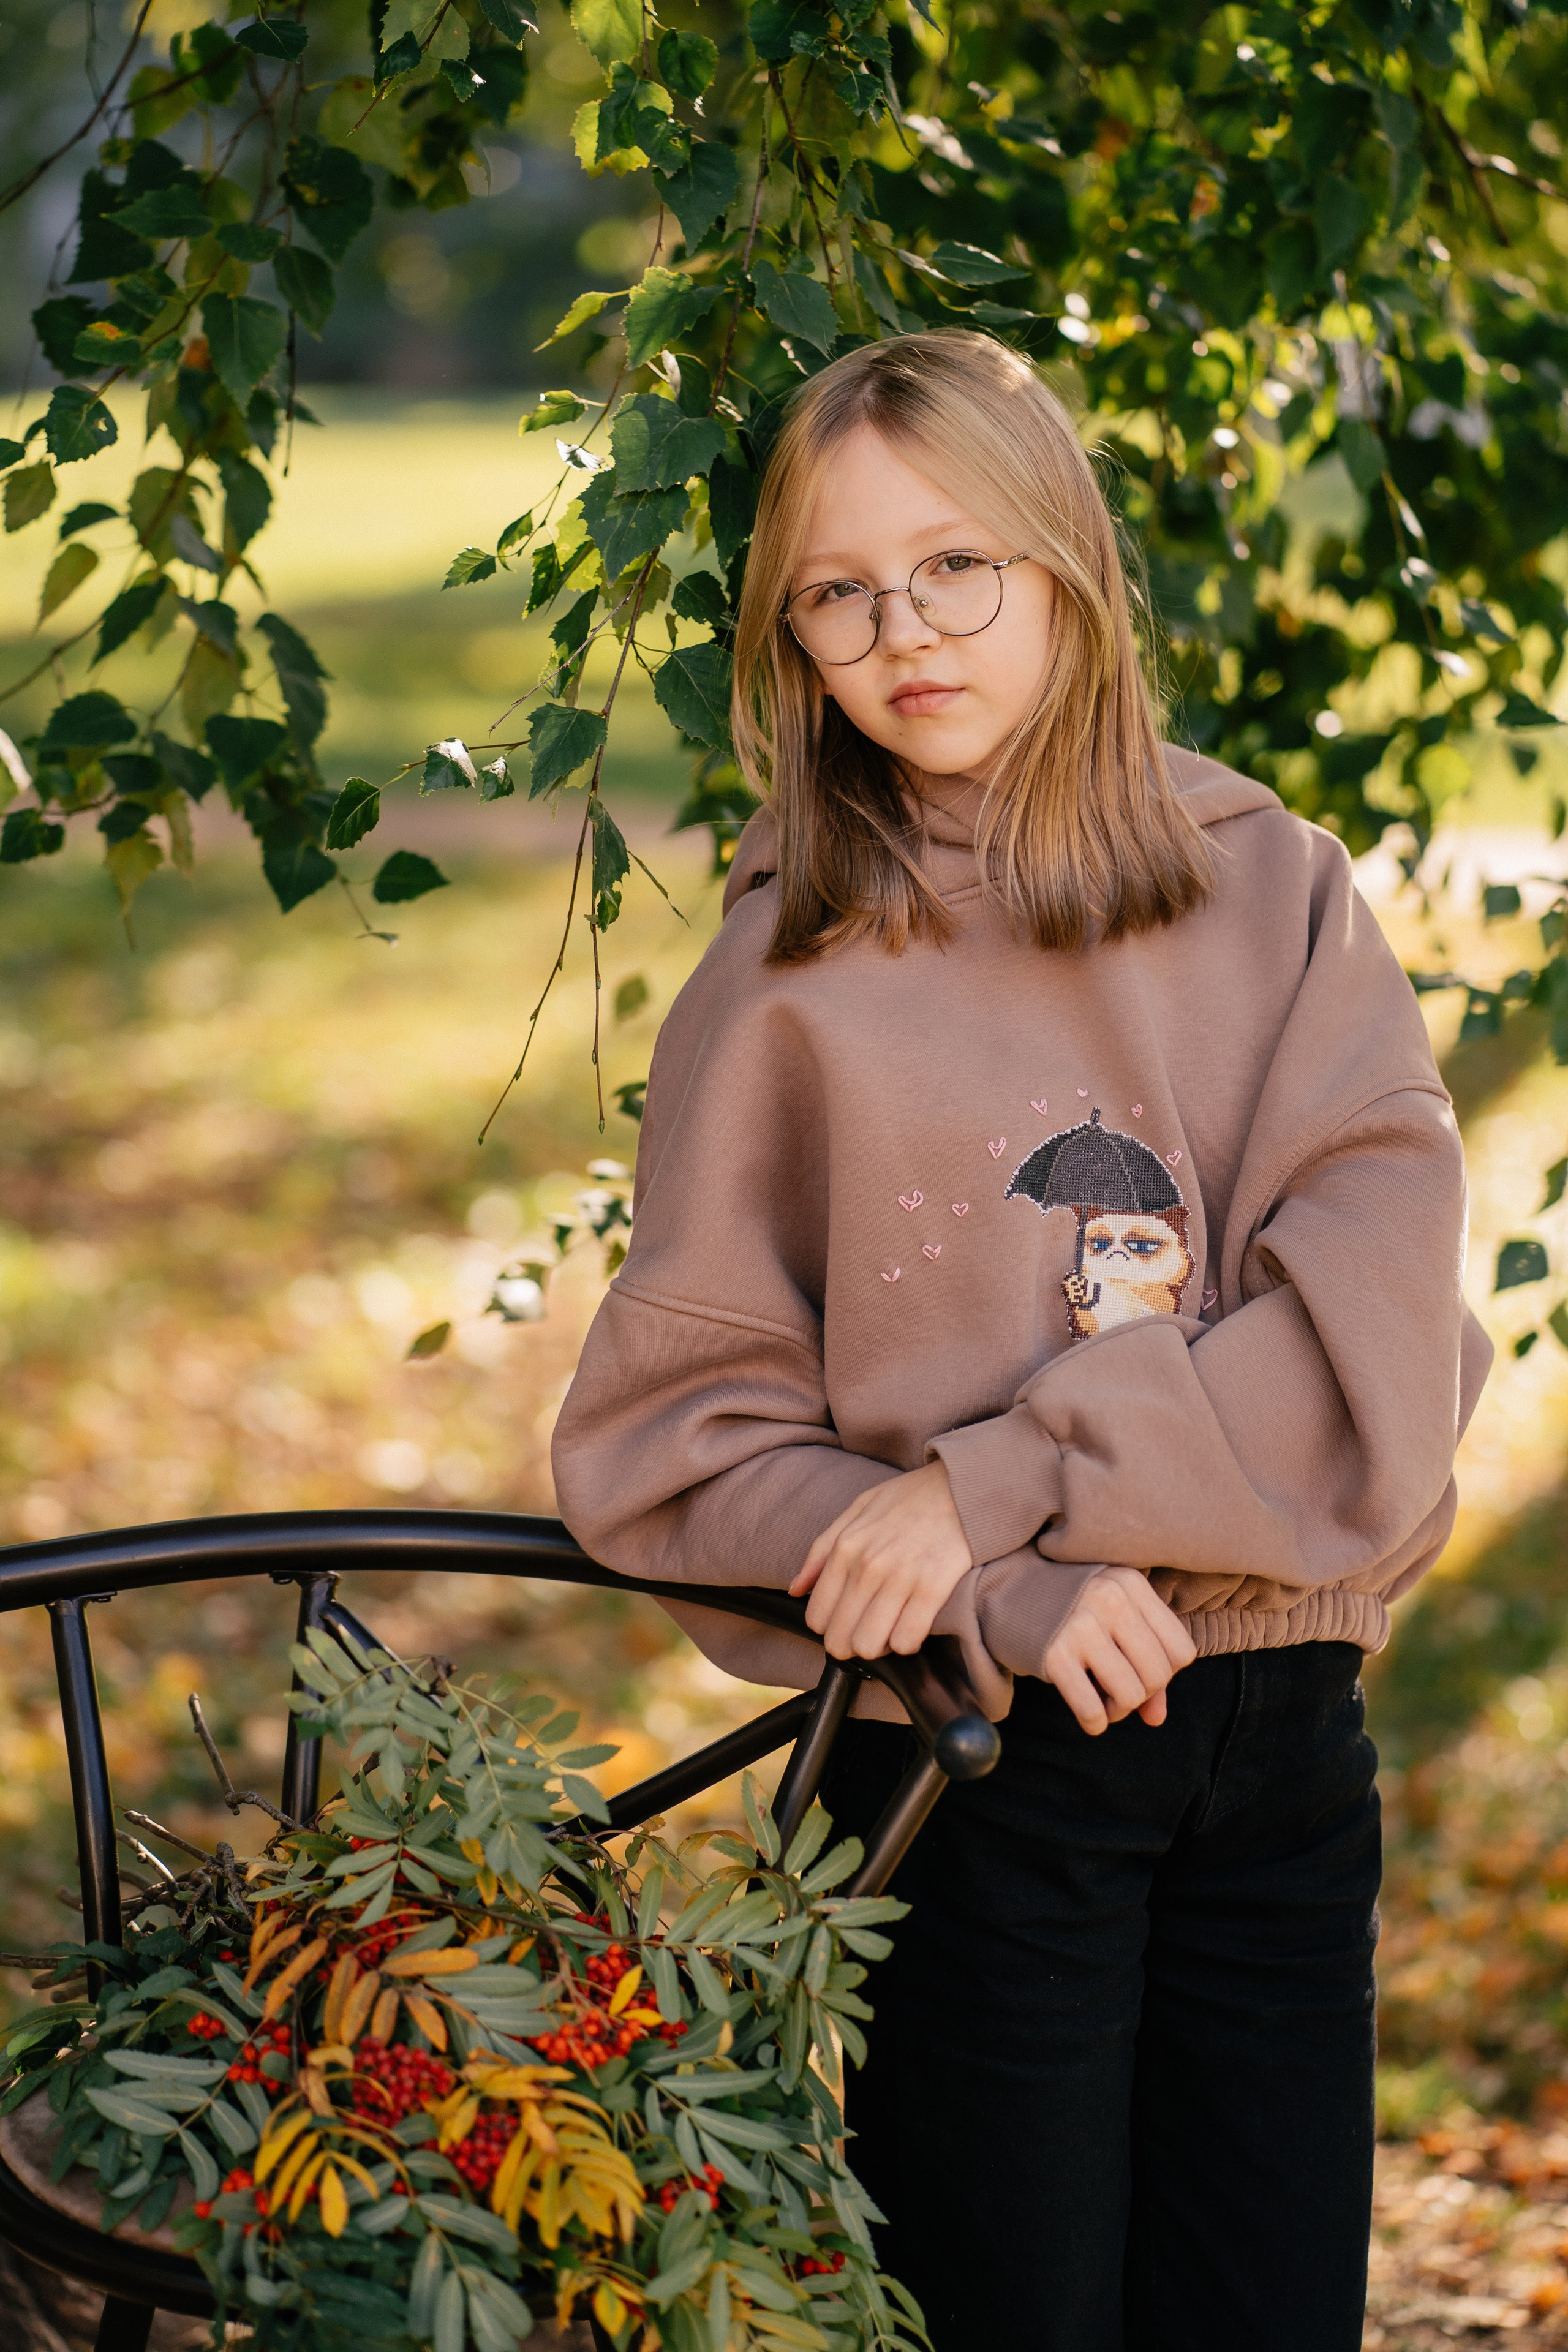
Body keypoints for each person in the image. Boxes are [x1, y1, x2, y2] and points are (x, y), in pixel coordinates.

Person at [551, 330, 1491, 2351]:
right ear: (790, 638)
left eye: (956, 564)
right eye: (838, 590)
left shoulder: (1276, 897)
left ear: (1066, 561)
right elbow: (675, 1447)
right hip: (971, 1778)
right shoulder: (786, 973)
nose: (904, 631)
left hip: (1280, 1738)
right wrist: (988, 1584)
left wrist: (1000, 1483)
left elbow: (1383, 1353)